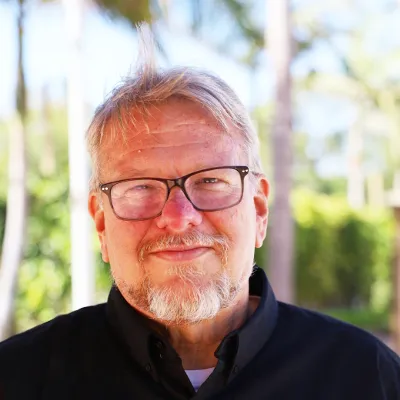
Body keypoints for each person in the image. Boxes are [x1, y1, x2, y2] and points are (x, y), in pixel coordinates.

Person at [1, 30, 400, 400]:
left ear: (259, 209)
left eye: (210, 181)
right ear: (101, 223)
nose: (179, 217)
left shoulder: (368, 377)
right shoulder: (17, 378)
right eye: (141, 187)